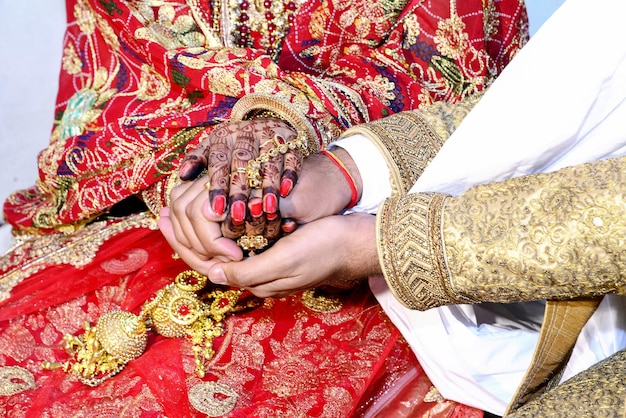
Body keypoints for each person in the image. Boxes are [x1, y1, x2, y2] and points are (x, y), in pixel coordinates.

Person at [0, 0, 528, 416]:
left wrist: (295, 130)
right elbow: (118, 84)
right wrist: (193, 186)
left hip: (384, 234)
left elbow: (470, 83)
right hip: (164, 224)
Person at [160, 0, 626, 415]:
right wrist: (343, 171)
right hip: (338, 209)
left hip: (470, 281)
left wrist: (382, 243)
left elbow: (448, 51)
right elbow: (574, 98)